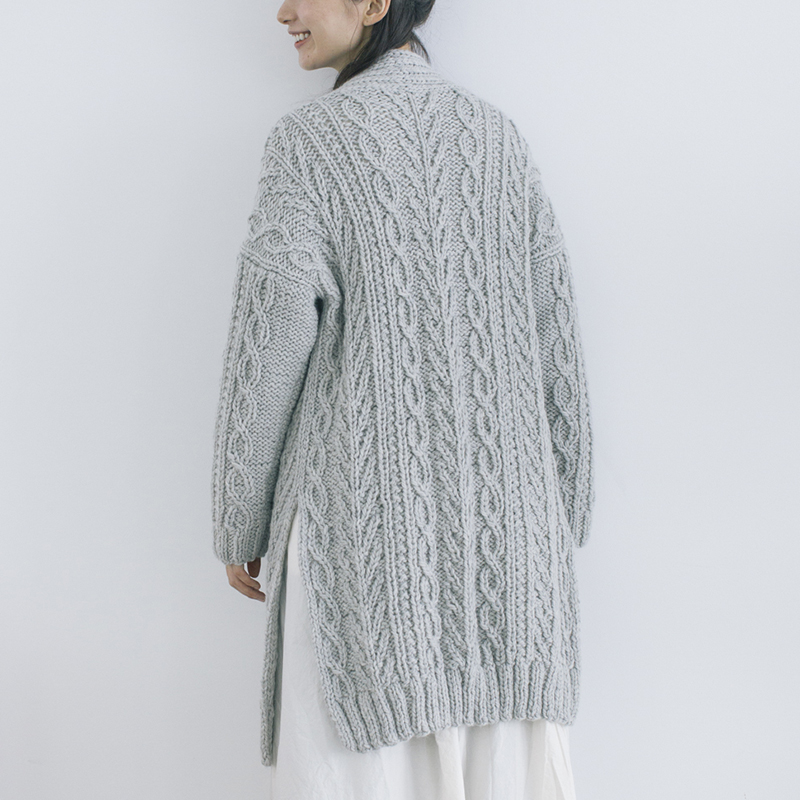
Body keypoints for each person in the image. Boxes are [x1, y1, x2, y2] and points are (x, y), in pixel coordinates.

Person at [211, 0, 595, 796]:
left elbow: (269, 342)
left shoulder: (311, 143)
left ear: (374, 3)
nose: (282, 11)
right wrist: (564, 507)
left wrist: (239, 519)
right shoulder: (496, 137)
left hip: (365, 548)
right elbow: (555, 330)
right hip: (515, 555)